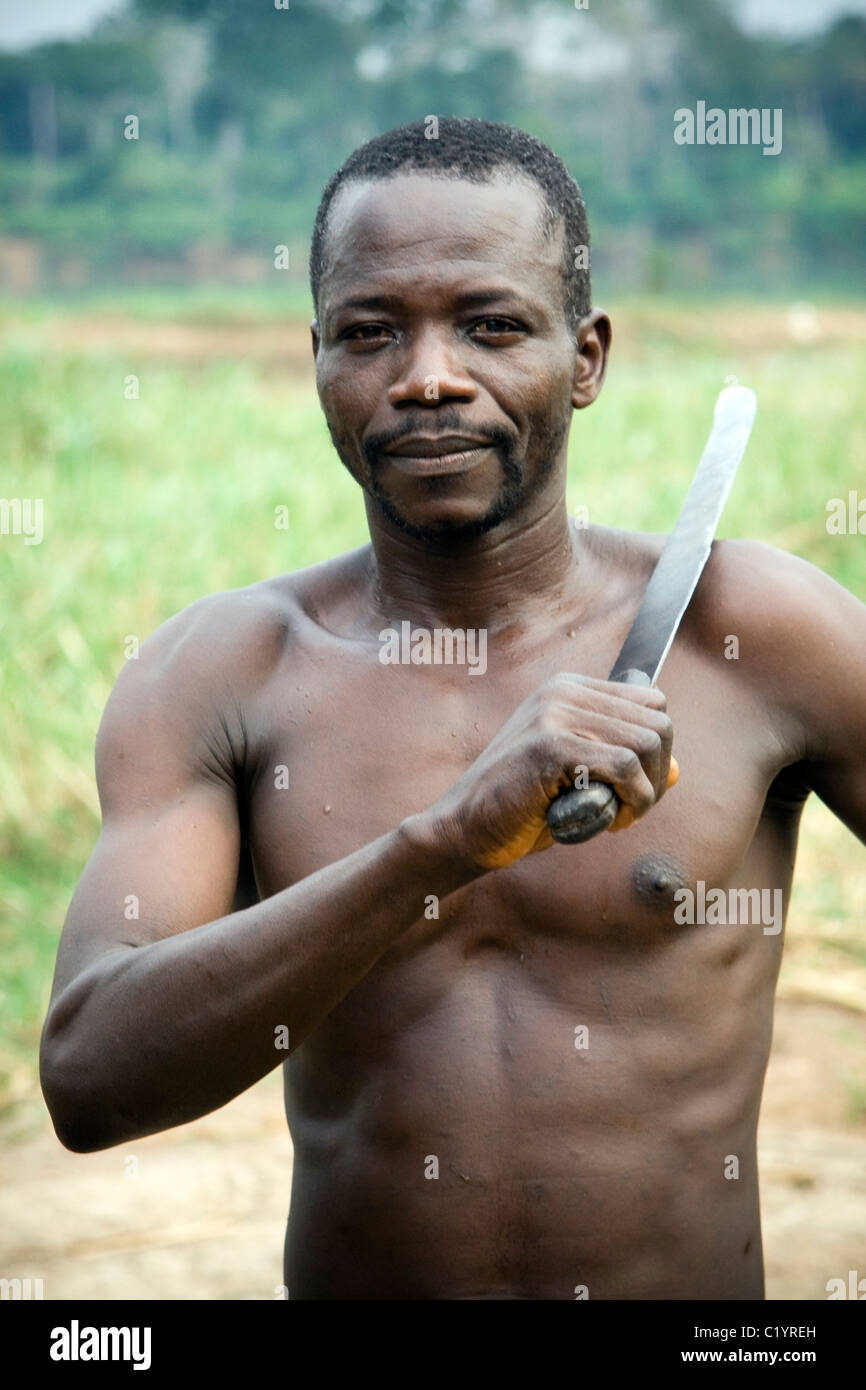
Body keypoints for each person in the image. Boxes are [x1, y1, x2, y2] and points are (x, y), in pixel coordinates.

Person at [40, 118, 866, 1300]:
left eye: (490, 325)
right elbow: (89, 1075)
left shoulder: (748, 629)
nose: (426, 377)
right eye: (370, 332)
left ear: (583, 358)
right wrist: (443, 843)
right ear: (317, 357)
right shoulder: (221, 673)